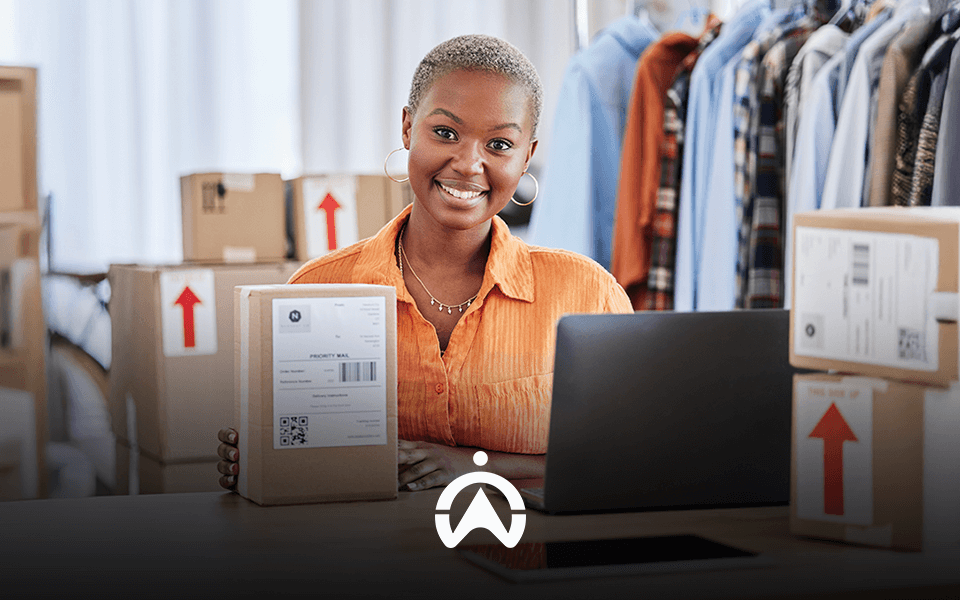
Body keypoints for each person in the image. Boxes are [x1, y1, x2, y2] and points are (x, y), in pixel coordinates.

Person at [218, 34, 632, 492]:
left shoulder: (587, 294)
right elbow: (297, 461)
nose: (469, 164)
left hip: (526, 540)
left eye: (499, 144)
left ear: (526, 158)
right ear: (407, 128)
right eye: (446, 133)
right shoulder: (314, 291)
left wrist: (477, 465)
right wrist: (260, 461)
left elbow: (626, 456)